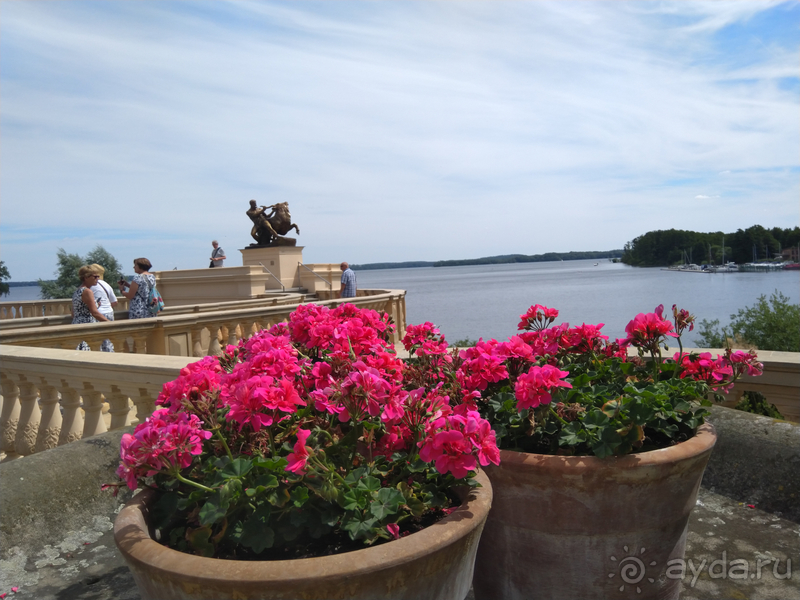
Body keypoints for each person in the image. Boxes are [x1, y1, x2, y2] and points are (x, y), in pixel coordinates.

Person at [71, 265, 110, 350]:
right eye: (95, 276)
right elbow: (94, 312)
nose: (97, 279)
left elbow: (73, 312)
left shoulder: (77, 291)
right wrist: (110, 323)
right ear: (86, 277)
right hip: (87, 325)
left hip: (76, 324)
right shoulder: (87, 291)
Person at [90, 263, 118, 352]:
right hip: (109, 312)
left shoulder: (90, 286)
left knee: (97, 341)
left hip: (98, 314)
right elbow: (114, 301)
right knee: (108, 340)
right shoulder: (105, 284)